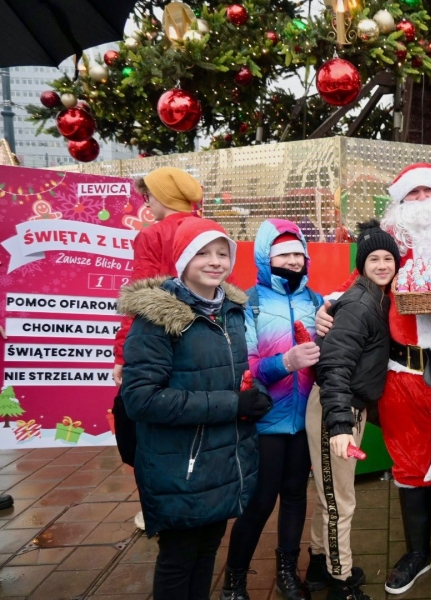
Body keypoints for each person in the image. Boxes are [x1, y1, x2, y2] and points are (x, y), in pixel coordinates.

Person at [314, 163, 431, 594]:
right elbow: (356, 285)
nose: (420, 201)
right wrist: (328, 310)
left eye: (427, 192)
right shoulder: (388, 237)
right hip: (400, 376)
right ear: (399, 202)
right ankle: (418, 553)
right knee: (409, 463)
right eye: (411, 194)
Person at [119, 217, 269, 600]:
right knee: (179, 558)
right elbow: (141, 398)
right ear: (183, 259)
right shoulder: (158, 317)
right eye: (202, 253)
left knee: (207, 550)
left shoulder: (231, 311)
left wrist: (252, 396)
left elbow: (225, 376)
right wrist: (233, 404)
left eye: (222, 253)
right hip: (180, 463)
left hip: (222, 459)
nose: (215, 261)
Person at [221, 220, 323, 600]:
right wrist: (286, 362)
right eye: (284, 254)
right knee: (260, 502)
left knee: (295, 496)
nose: (294, 261)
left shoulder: (315, 302)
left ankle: (287, 572)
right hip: (265, 420)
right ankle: (234, 581)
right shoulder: (250, 303)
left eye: (299, 254)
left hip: (304, 419)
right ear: (266, 258)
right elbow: (246, 366)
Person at [305, 221, 400, 600]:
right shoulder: (360, 304)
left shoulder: (379, 299)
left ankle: (318, 563)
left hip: (347, 408)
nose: (382, 265)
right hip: (336, 410)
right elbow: (334, 366)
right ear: (362, 264)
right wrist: (341, 424)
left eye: (388, 258)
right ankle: (340, 582)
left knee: (329, 493)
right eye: (374, 259)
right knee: (340, 502)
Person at [111, 167, 200, 531]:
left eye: (147, 195)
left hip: (159, 344)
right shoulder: (208, 229)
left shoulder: (152, 234)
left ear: (162, 195)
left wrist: (122, 354)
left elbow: (140, 297)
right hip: (203, 343)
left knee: (147, 429)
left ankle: (158, 510)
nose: (146, 202)